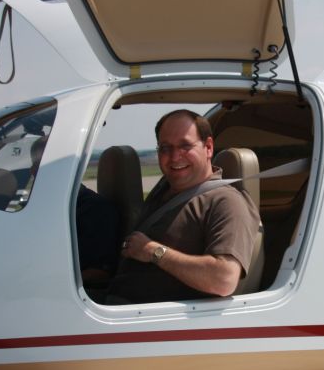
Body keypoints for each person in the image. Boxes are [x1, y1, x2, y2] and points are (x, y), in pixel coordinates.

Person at [107, 109, 260, 304]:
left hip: (153, 323)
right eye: (165, 148)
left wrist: (153, 252)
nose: (174, 157)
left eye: (185, 146)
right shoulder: (165, 188)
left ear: (209, 147)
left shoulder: (226, 202)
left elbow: (224, 279)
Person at [29, 137, 119, 288]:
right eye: (39, 166)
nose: (39, 171)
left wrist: (44, 283)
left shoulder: (96, 210)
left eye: (53, 165)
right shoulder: (38, 208)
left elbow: (99, 273)